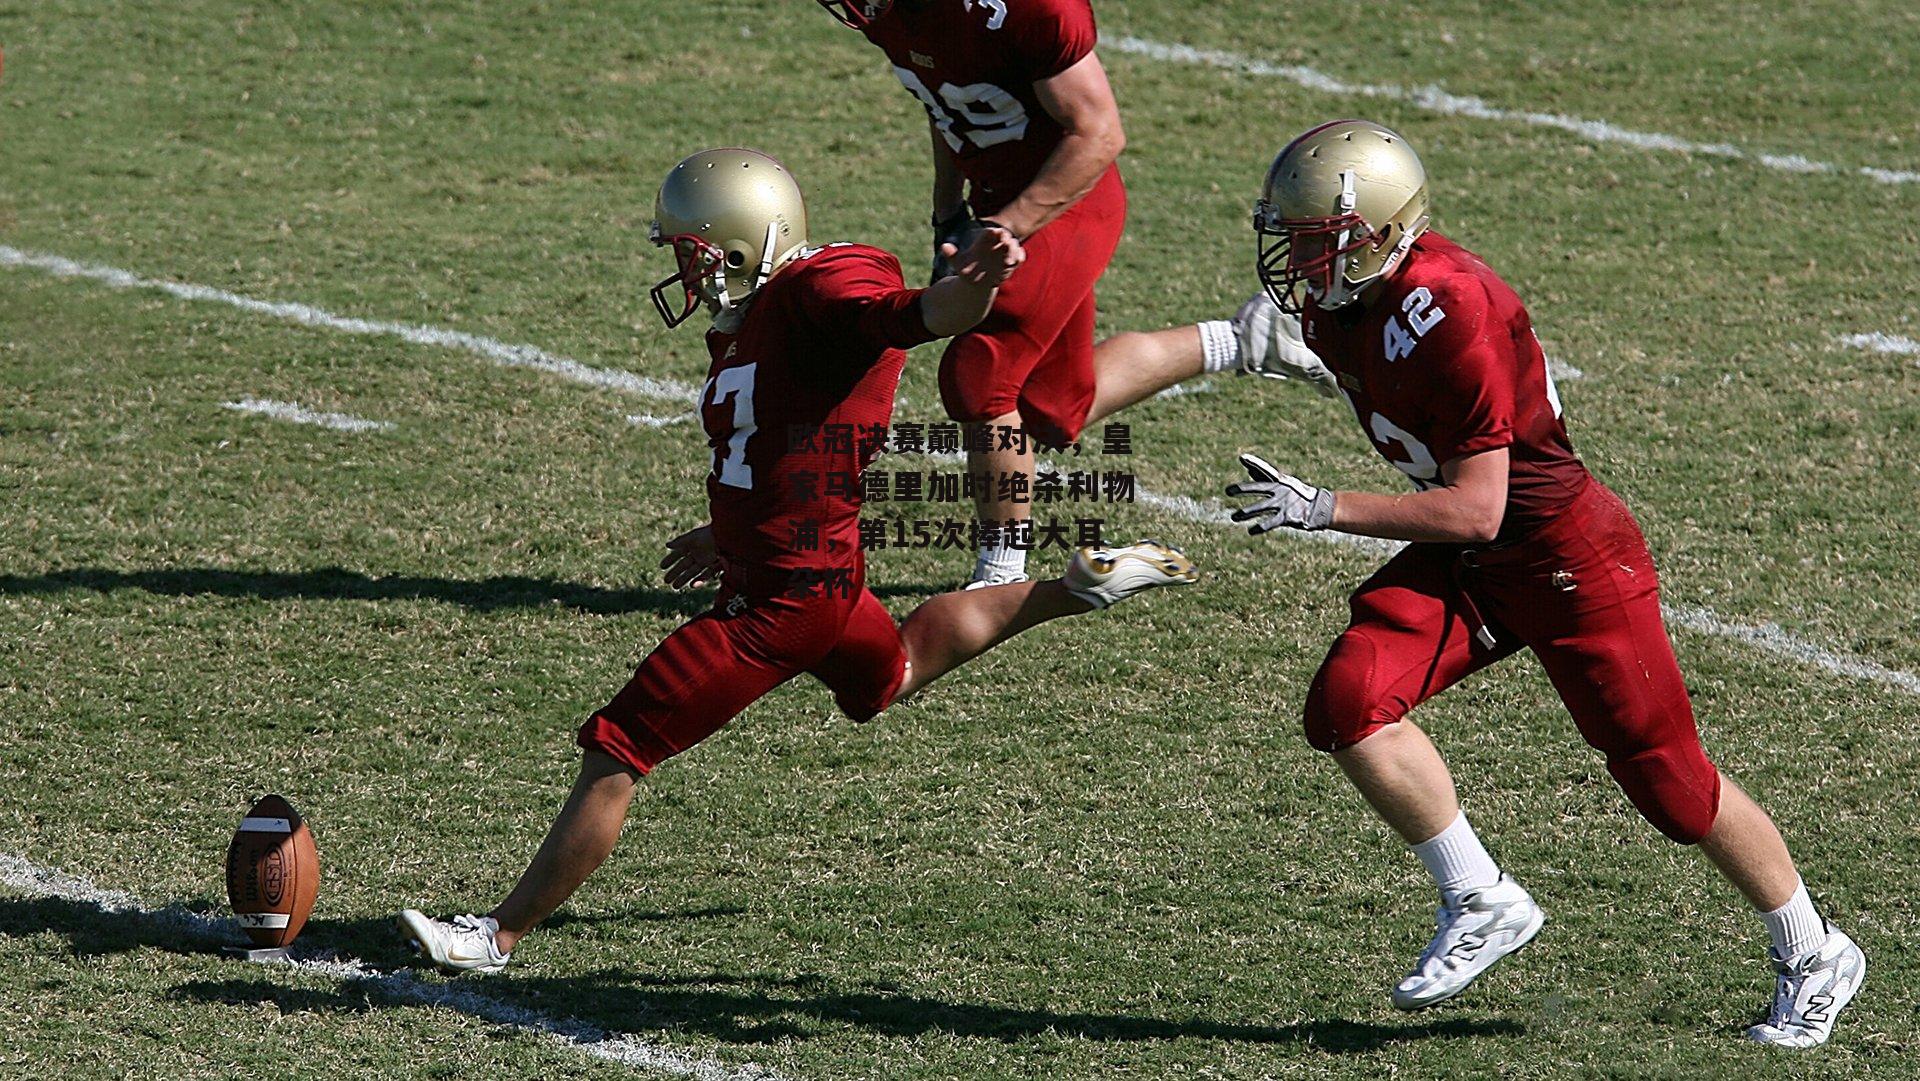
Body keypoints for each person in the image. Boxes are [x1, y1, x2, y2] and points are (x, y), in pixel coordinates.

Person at [398, 148, 1197, 972]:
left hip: (776, 605)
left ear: (744, 243)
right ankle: (1076, 587)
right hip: (822, 570)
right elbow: (786, 437)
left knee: (619, 745)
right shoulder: (761, 315)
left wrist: (976, 286)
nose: (685, 270)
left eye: (694, 252)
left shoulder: (822, 291)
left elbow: (921, 314)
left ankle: (494, 935)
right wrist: (729, 529)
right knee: (893, 673)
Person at [1223, 120, 1863, 1048]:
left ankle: (1816, 948)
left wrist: (1325, 507)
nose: (1299, 258)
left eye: (1318, 238)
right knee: (1349, 701)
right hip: (1480, 560)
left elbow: (1478, 508)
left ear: (1379, 232)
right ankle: (1480, 896)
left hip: (1562, 553)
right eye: (1293, 235)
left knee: (1669, 782)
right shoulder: (1338, 302)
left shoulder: (1454, 307)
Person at [818, 0, 1328, 589]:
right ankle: (1247, 339)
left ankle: (1001, 574)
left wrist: (1008, 226)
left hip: (1069, 204)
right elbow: (948, 107)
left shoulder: (1025, 9)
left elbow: (1099, 132)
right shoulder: (893, 14)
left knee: (979, 376)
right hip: (998, 203)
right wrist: (949, 210)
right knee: (1054, 409)